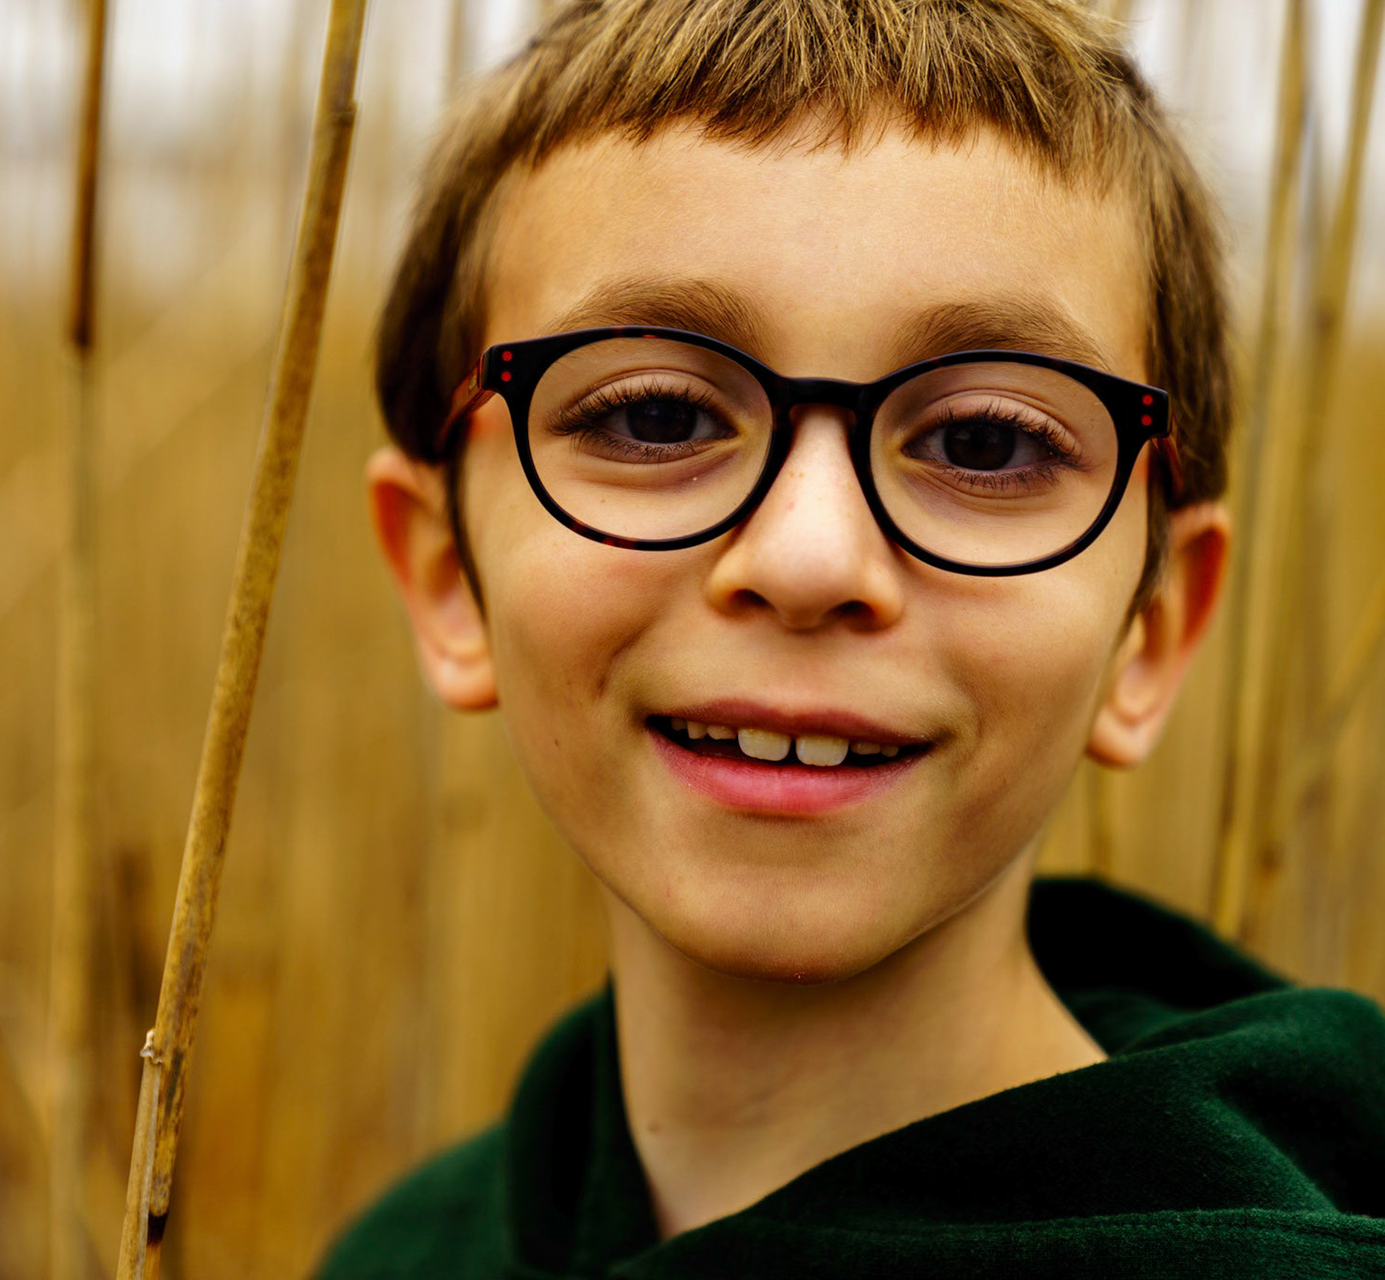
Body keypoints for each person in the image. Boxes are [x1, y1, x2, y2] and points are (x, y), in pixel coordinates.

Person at [319, 1, 1385, 1277]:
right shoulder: (404, 1251)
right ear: (449, 573)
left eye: (984, 441)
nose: (811, 559)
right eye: (655, 415)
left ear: (1151, 630)